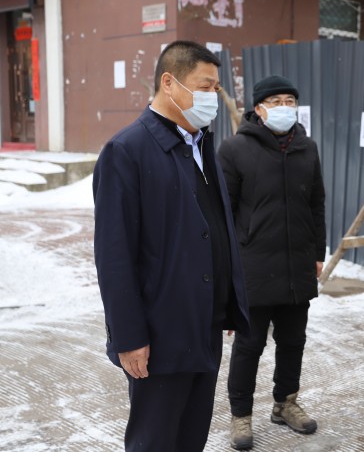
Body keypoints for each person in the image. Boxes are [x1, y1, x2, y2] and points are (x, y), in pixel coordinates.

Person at [93, 40, 250, 452]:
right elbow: (113, 256)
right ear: (169, 83)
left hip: (204, 323)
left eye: (216, 88)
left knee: (191, 437)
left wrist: (229, 299)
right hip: (160, 335)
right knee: (155, 441)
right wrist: (128, 337)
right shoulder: (126, 151)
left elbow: (217, 225)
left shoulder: (200, 145)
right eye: (205, 86)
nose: (213, 97)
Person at [217, 75, 326, 451]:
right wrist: (228, 270)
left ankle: (285, 404)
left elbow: (316, 204)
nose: (284, 108)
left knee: (293, 341)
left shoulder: (307, 148)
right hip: (254, 266)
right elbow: (224, 214)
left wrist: (318, 253)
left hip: (297, 264)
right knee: (249, 345)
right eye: (276, 101)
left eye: (290, 101)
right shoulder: (234, 149)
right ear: (259, 109)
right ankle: (240, 415)